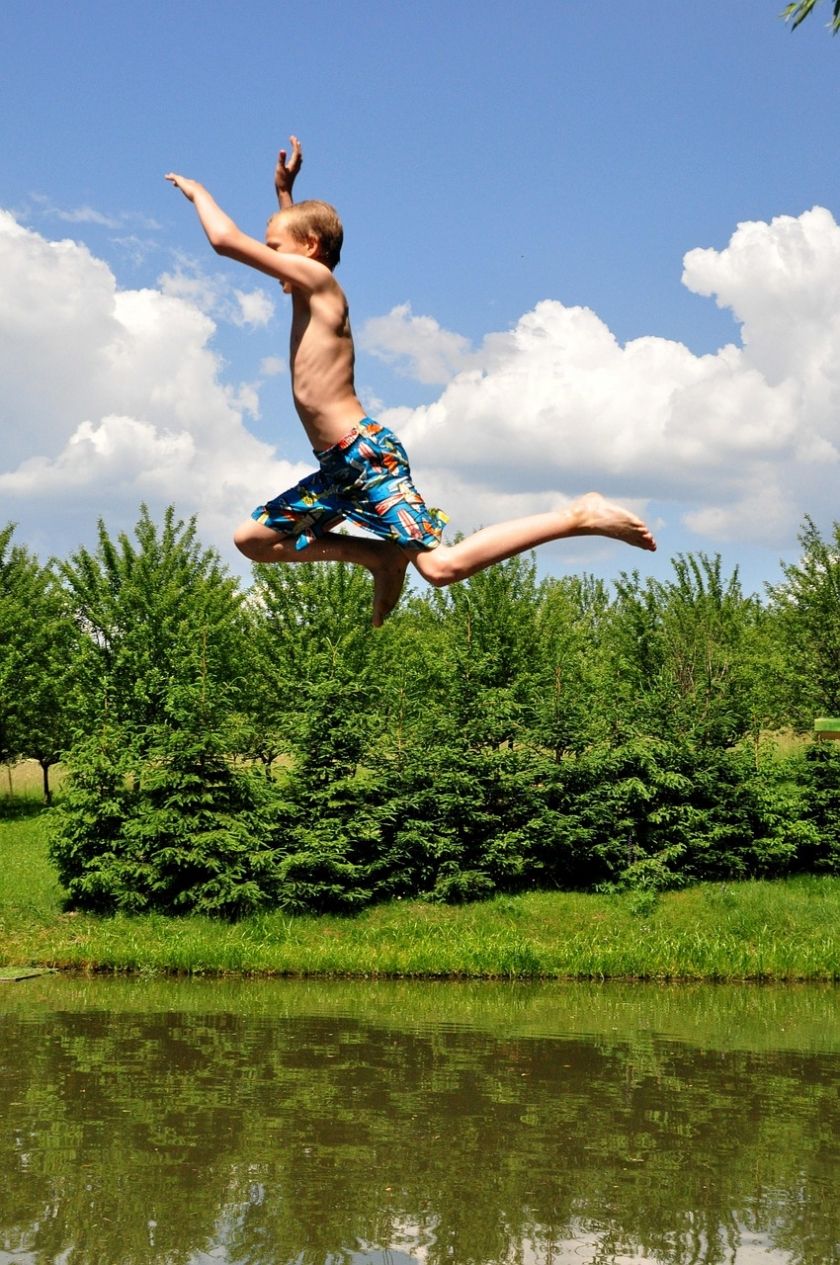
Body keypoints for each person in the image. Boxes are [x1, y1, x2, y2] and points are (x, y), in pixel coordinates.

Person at [165, 138, 655, 626]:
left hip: (366, 456)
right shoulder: (309, 289)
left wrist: (199, 192)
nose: (270, 262)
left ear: (309, 249)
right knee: (255, 540)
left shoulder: (320, 283)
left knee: (440, 569)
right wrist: (285, 198)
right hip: (338, 468)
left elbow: (225, 241)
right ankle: (378, 557)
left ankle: (578, 515)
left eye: (274, 249)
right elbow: (294, 244)